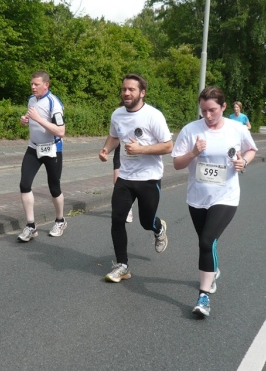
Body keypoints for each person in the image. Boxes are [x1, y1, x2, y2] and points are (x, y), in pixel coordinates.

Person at [172, 86, 257, 317]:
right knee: (206, 242)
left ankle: (203, 297)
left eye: (212, 110)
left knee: (207, 240)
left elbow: (251, 150)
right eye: (203, 111)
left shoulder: (237, 129)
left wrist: (244, 162)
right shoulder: (191, 130)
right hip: (197, 197)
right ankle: (213, 270)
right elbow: (177, 164)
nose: (208, 116)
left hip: (226, 196)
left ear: (223, 107)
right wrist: (193, 153)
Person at [99, 73, 173, 283]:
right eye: (124, 89)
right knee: (117, 219)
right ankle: (122, 265)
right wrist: (105, 149)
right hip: (125, 177)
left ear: (142, 93)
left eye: (131, 89)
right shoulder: (117, 114)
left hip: (149, 178)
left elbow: (168, 146)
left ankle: (159, 228)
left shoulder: (153, 115)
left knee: (146, 222)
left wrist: (141, 149)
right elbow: (115, 136)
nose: (126, 93)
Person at [17, 71, 67, 242]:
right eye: (31, 84)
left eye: (36, 84)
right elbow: (31, 118)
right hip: (33, 148)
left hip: (52, 149)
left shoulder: (54, 103)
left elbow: (61, 131)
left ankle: (60, 220)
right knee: (24, 184)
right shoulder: (32, 99)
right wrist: (25, 120)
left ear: (46, 85)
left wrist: (38, 119)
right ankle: (31, 226)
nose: (33, 87)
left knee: (54, 187)